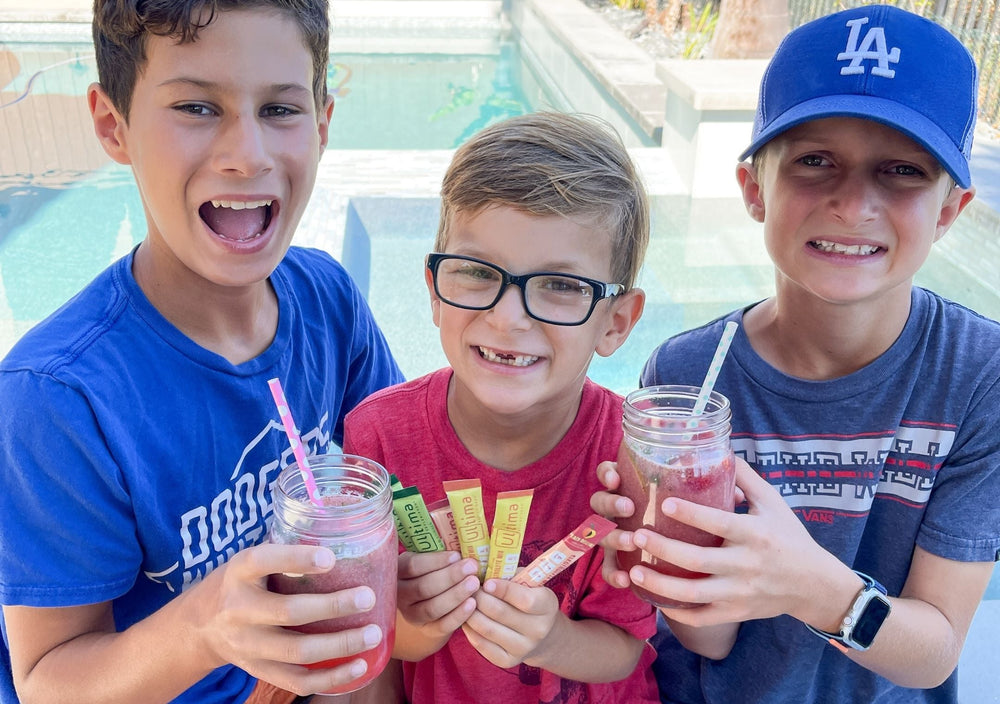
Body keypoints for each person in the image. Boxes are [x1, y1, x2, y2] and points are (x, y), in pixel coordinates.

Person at [591, 5, 1000, 703]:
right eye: (815, 161)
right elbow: (710, 639)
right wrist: (665, 564)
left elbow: (933, 651)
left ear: (948, 211)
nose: (852, 203)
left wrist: (809, 586)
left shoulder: (976, 374)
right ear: (755, 188)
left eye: (901, 170)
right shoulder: (689, 377)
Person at [0, 1, 404, 702]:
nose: (246, 154)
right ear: (112, 125)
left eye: (280, 109)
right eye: (195, 106)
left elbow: (399, 479)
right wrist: (203, 627)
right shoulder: (57, 398)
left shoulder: (328, 301)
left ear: (324, 122)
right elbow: (46, 683)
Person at [342, 111, 658, 703]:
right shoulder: (377, 439)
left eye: (562, 286)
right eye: (475, 272)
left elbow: (628, 648)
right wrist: (412, 622)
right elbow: (377, 644)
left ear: (616, 323)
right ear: (435, 290)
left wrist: (550, 640)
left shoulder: (629, 458)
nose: (508, 318)